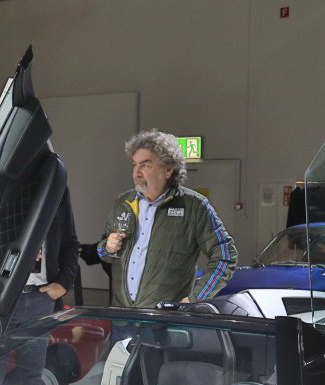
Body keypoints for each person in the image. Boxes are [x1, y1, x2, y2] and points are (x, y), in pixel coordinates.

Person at [97, 130, 237, 307]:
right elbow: (102, 253)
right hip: (122, 315)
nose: (136, 173)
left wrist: (195, 298)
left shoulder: (195, 206)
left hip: (165, 317)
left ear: (168, 170)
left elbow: (225, 256)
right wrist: (107, 247)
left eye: (145, 165)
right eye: (135, 165)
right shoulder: (123, 202)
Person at [6, 187, 80, 331]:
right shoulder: (0, 181)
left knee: (39, 347)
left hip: (43, 297)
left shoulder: (56, 186)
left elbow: (70, 244)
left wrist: (64, 284)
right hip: (4, 297)